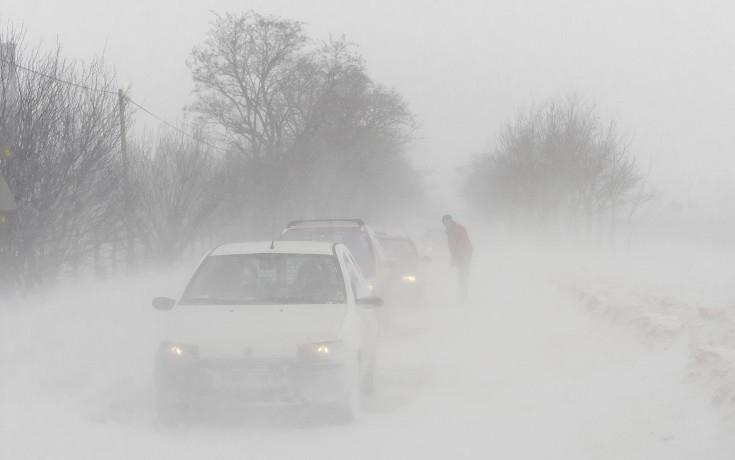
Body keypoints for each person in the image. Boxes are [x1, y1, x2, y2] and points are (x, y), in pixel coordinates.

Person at [442, 214, 473, 303]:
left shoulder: (459, 229)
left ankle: (463, 295)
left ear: (450, 221)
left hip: (465, 254)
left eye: (447, 221)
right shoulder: (450, 231)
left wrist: (457, 256)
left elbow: (462, 243)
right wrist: (453, 258)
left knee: (463, 274)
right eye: (444, 223)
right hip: (459, 254)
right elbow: (452, 246)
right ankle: (463, 294)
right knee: (461, 274)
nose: (446, 224)